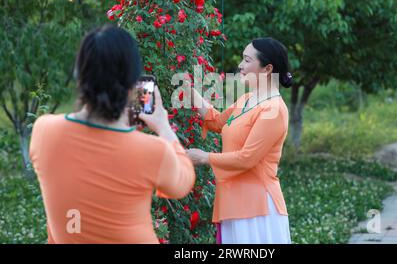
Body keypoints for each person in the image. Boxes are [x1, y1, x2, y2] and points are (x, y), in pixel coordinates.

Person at [29, 25, 195, 243]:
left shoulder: (44, 131)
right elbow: (182, 182)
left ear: (80, 75)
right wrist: (163, 126)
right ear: (133, 83)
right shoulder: (153, 150)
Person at [187, 37, 293, 244]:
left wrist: (203, 157)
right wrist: (189, 90)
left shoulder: (274, 109)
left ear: (267, 69)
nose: (240, 66)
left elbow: (247, 158)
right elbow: (217, 122)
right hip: (233, 201)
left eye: (246, 60)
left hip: (256, 207)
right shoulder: (247, 100)